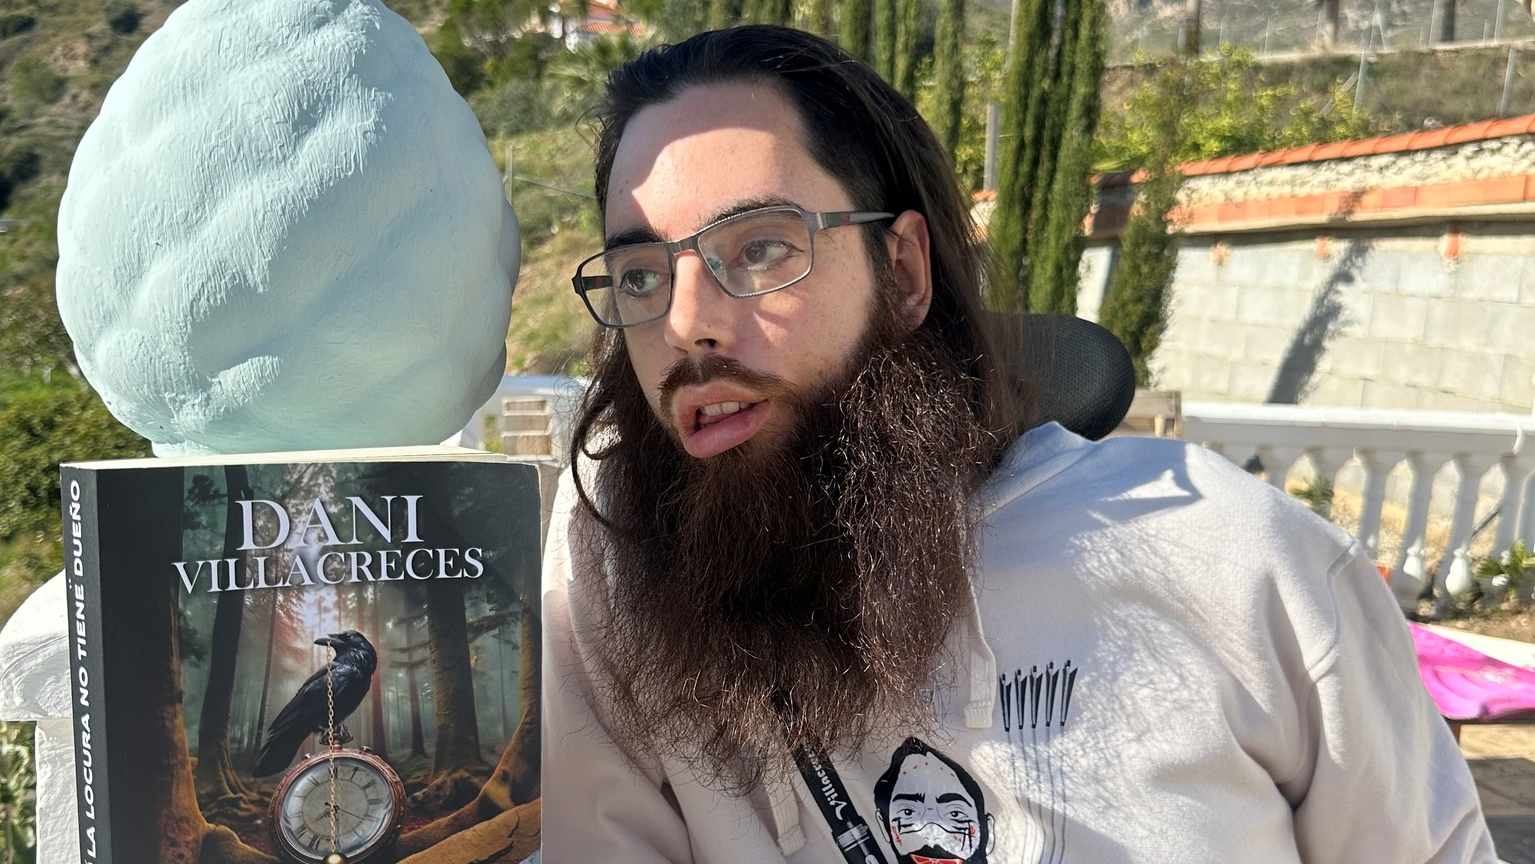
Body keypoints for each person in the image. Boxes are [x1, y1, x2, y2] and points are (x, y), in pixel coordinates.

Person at [541, 25, 1495, 863]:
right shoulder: (623, 579)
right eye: (640, 276)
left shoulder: (1233, 560)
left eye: (759, 249)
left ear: (901, 272)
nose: (686, 324)